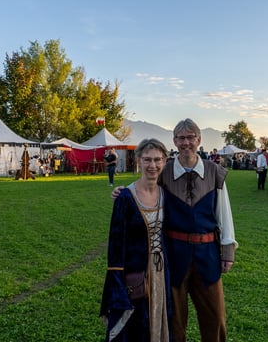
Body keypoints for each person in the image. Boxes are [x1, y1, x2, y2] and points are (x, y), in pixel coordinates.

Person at [114, 119, 238, 341]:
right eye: (181, 138)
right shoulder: (165, 171)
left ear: (198, 140)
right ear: (174, 141)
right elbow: (145, 187)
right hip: (174, 254)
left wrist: (227, 250)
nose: (186, 142)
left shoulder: (214, 172)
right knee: (175, 321)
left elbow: (224, 212)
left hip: (208, 255)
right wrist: (125, 192)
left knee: (215, 318)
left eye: (190, 137)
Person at [100, 138, 172, 341]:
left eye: (157, 160)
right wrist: (117, 280)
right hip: (136, 273)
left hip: (161, 271)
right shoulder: (125, 197)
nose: (152, 165)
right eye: (147, 159)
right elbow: (116, 245)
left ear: (164, 161)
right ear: (139, 160)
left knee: (159, 321)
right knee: (136, 326)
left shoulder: (166, 195)